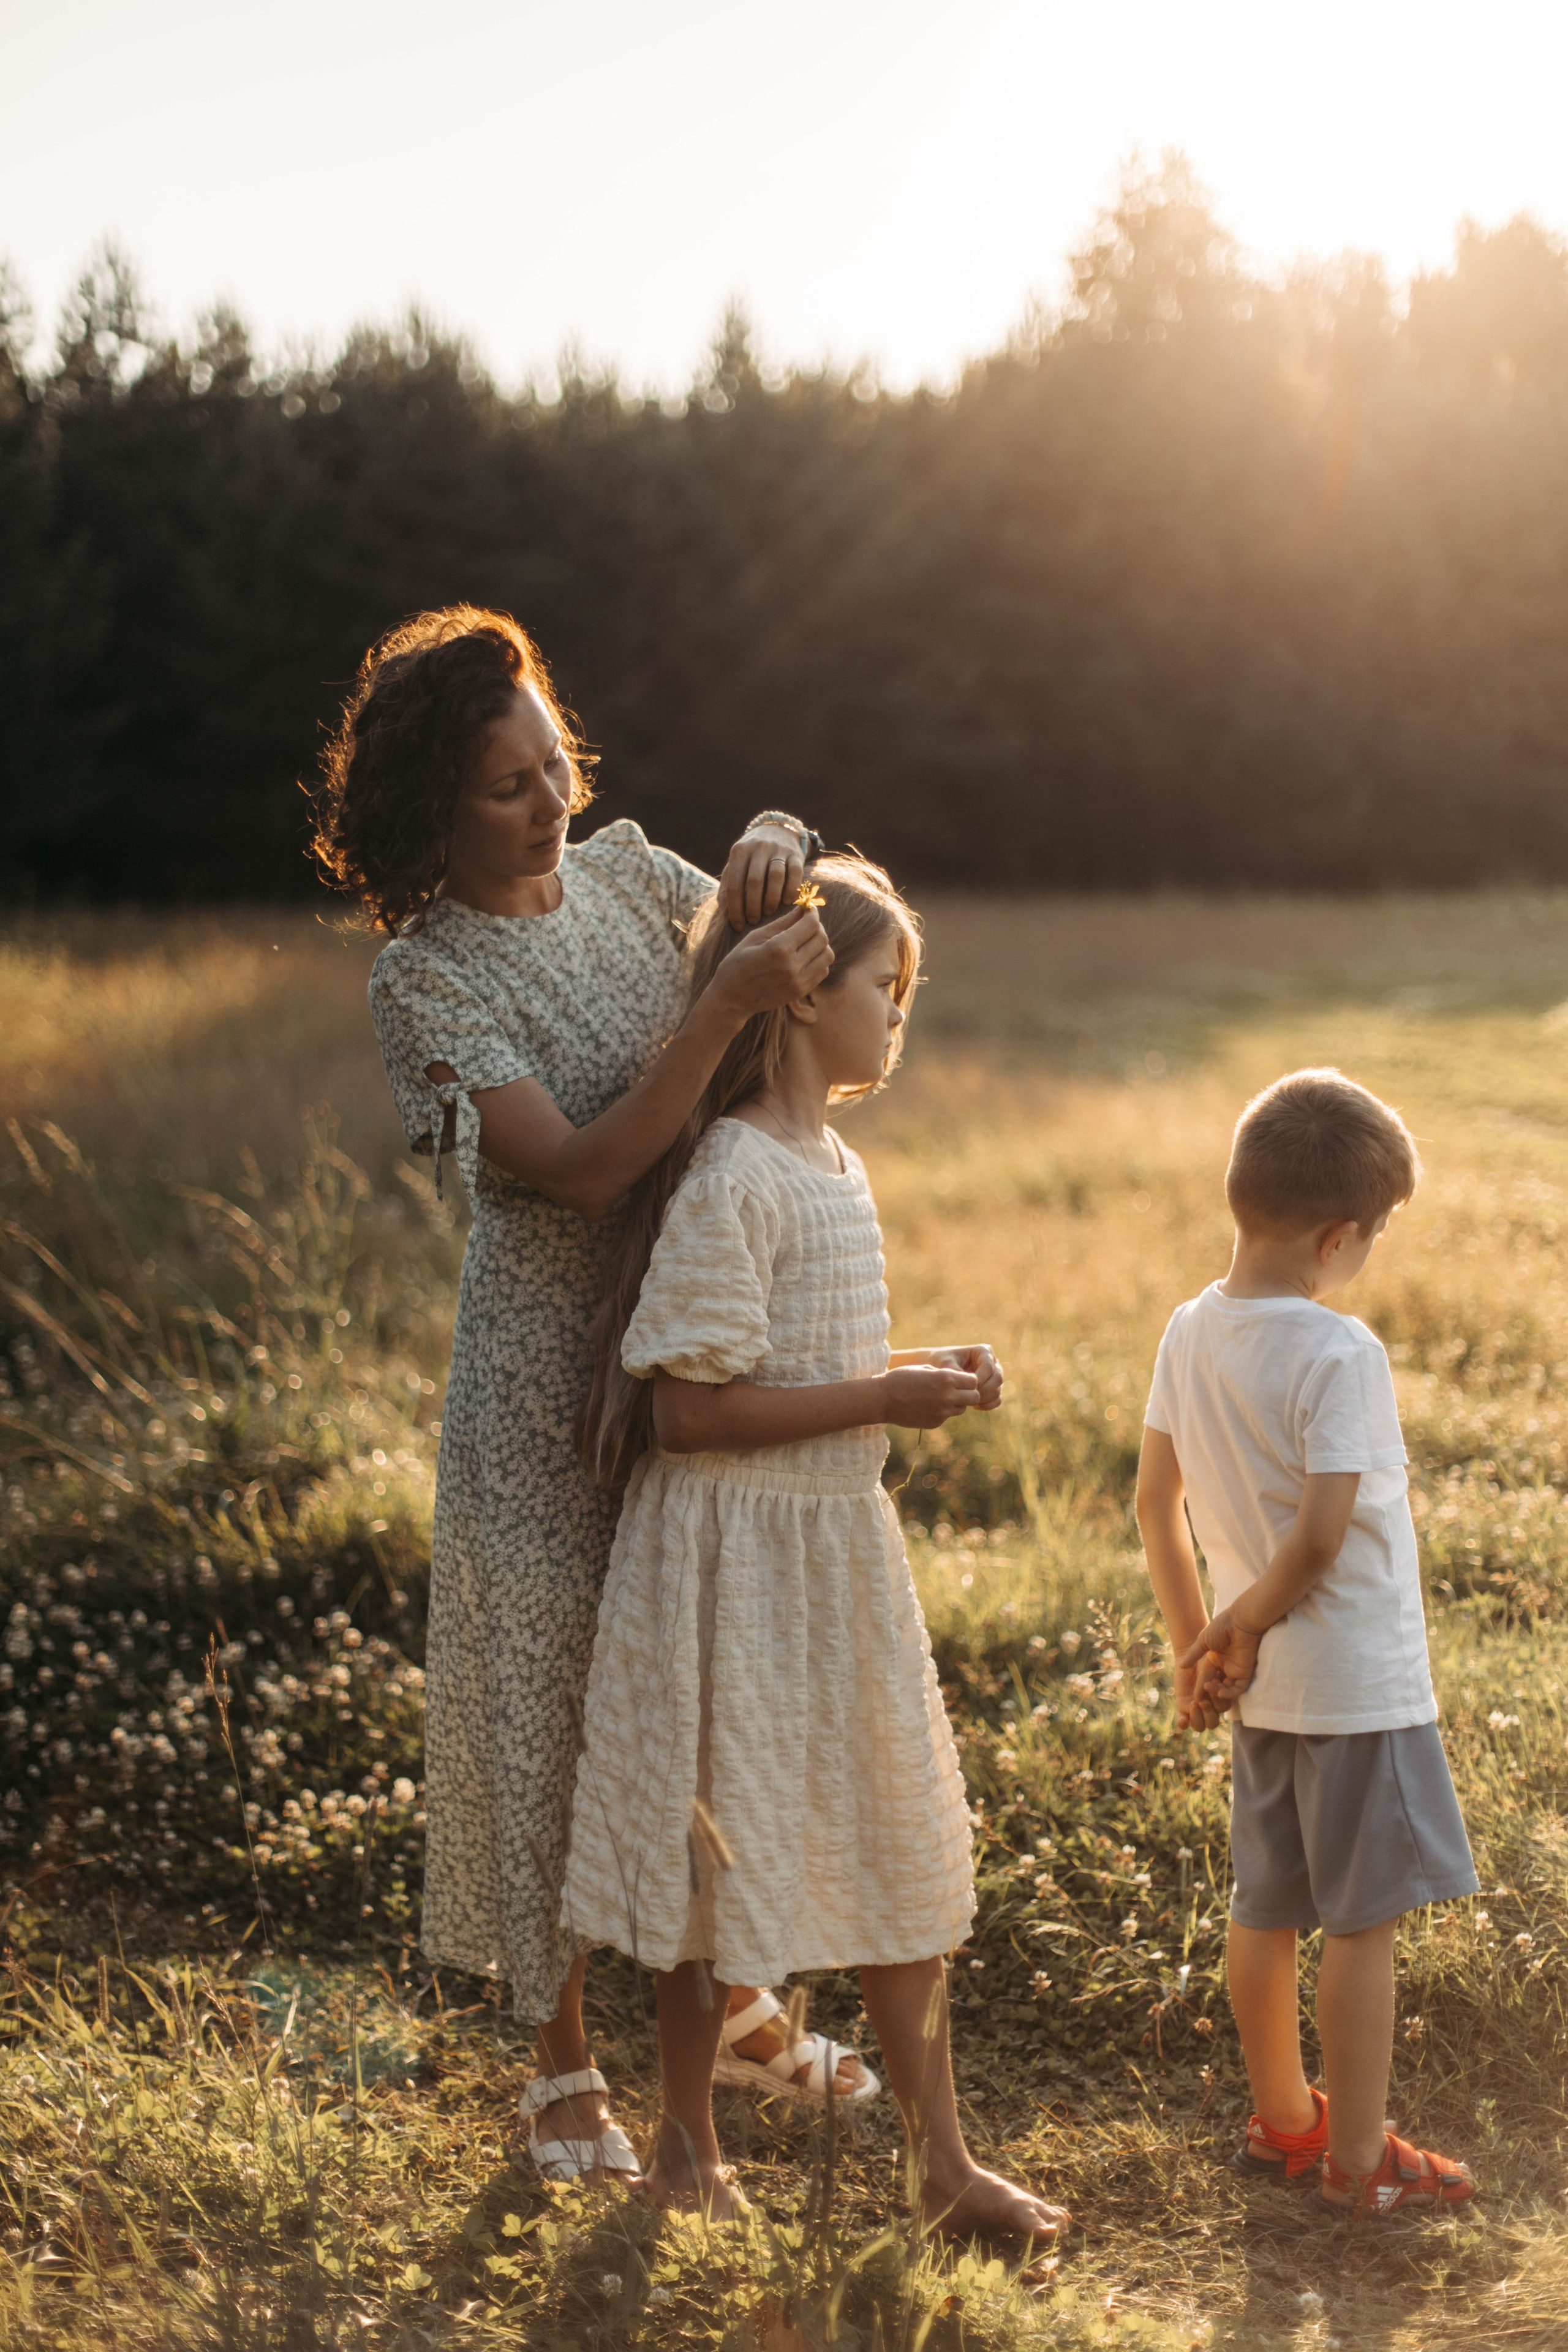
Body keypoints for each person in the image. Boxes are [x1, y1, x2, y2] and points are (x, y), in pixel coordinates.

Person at [312, 605, 879, 2183]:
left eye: (550, 762)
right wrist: (714, 1006)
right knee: (553, 1709)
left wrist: (776, 849)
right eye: (503, 787)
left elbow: (797, 959)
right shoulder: (421, 984)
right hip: (544, 1381)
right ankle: (561, 2060)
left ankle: (742, 2011)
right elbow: (569, 1173)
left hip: (698, 1343)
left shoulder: (635, 876)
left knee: (705, 1681)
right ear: (430, 806)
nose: (547, 802)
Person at [565, 854, 1071, 2242]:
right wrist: (881, 1397)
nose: (898, 1015)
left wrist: (908, 1371)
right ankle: (684, 2153)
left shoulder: (833, 1162)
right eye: (882, 986)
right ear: (799, 994)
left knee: (905, 1840)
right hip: (729, 1571)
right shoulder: (734, 1170)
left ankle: (942, 2165)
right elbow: (684, 1408)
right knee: (705, 1871)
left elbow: (797, 1361)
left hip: (834, 1558)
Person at [1135, 1068, 1477, 2214]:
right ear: (1340, 1238)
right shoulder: (1343, 1357)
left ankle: (1287, 2123)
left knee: (1265, 1905)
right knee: (1362, 1925)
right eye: (1373, 1235)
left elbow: (1153, 1504)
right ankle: (1360, 2161)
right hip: (1354, 1689)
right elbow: (1324, 1539)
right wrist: (1241, 1624)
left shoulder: (1190, 1329)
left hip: (1260, 1691)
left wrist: (1202, 1645)